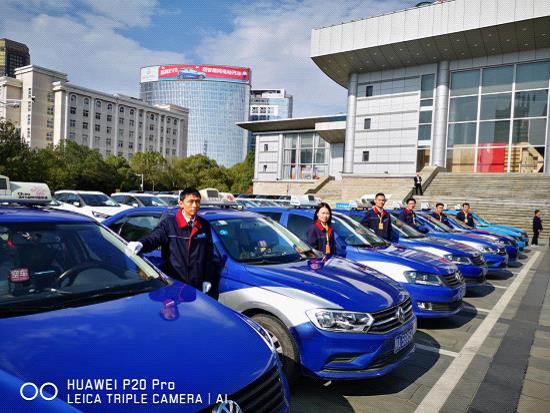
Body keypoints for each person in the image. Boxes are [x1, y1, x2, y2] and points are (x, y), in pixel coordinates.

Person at [126, 188, 217, 297]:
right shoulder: (169, 224)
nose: (195, 205)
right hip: (174, 283)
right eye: (191, 201)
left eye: (197, 201)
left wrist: (207, 279)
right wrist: (141, 244)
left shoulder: (204, 225)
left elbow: (208, 255)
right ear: (181, 203)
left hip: (195, 285)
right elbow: (154, 237)